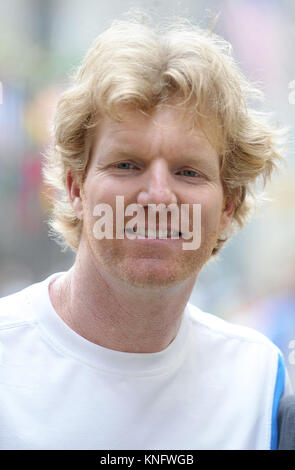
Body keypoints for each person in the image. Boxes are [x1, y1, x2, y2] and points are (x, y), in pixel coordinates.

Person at [0, 15, 292, 450]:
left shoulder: (257, 378)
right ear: (76, 188)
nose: (158, 196)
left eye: (188, 172)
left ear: (227, 206)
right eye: (126, 165)